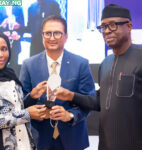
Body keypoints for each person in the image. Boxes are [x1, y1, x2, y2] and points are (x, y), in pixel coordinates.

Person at [54, 4, 142, 150]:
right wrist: (70, 95)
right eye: (103, 27)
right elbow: (100, 100)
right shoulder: (105, 63)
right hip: (106, 145)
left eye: (113, 25)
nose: (107, 31)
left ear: (129, 26)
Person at [19, 15, 95, 150]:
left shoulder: (81, 64)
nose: (52, 38)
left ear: (66, 36)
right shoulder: (29, 65)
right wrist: (32, 97)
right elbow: (20, 104)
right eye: (47, 33)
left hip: (72, 138)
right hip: (38, 139)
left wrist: (70, 115)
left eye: (57, 33)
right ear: (42, 36)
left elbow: (89, 101)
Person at [0, 31, 48, 150]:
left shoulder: (11, 75)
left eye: (4, 49)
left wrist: (32, 96)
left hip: (24, 143)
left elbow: (16, 108)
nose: (0, 54)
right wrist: (26, 114)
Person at [0, 6, 25, 70]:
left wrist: (18, 35)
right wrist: (2, 33)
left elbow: (23, 27)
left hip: (15, 43)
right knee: (1, 66)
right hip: (2, 44)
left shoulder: (19, 9)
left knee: (14, 67)